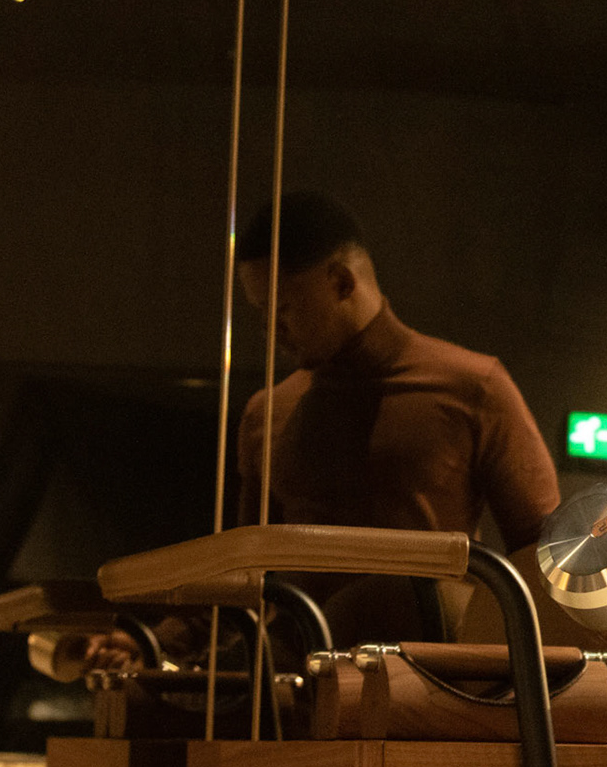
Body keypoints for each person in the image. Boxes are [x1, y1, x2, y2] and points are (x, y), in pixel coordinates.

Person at [234, 190, 561, 646]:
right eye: (262, 313)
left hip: (424, 676)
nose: (272, 330)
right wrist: (157, 640)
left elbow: (543, 555)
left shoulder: (473, 387)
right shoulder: (267, 412)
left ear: (342, 283)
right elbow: (242, 571)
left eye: (283, 308)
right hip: (296, 677)